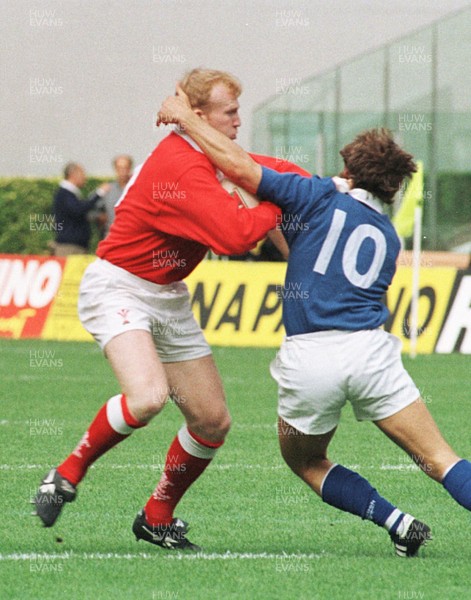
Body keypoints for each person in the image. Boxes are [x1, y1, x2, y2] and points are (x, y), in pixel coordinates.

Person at [156, 89, 471, 557]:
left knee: (304, 459)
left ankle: (394, 519)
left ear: (347, 171)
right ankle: (405, 523)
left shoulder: (317, 196)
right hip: (370, 353)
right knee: (441, 458)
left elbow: (241, 167)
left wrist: (187, 117)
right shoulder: (386, 235)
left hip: (312, 357)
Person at [33, 69, 309, 551]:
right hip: (118, 287)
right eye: (230, 113)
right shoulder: (180, 166)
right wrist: (276, 204)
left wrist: (331, 185)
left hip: (167, 294)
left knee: (211, 421)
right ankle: (64, 473)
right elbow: (234, 236)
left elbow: (277, 169)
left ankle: (157, 515)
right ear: (198, 117)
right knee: (147, 398)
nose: (239, 122)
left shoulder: (211, 152)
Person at [52, 162, 111, 256]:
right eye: (82, 174)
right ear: (73, 175)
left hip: (74, 246)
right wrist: (99, 193)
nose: (85, 178)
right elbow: (79, 210)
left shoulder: (69, 194)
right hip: (69, 248)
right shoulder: (65, 194)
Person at [94, 155, 134, 238]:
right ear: (115, 169)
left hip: (132, 236)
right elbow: (90, 208)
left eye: (126, 167)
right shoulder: (107, 189)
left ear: (130, 168)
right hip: (111, 236)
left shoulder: (137, 189)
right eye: (119, 168)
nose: (123, 171)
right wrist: (99, 217)